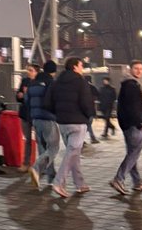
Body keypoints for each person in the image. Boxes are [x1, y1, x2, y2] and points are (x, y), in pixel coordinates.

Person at [45, 57, 95, 199]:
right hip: (78, 122)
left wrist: (58, 113)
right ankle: (59, 183)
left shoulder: (56, 82)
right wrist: (90, 115)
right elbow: (86, 102)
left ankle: (80, 183)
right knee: (72, 152)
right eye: (81, 66)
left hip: (62, 123)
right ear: (74, 67)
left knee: (74, 153)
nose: (82, 68)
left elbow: (47, 103)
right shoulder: (81, 82)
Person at [110, 61, 142, 195]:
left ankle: (137, 181)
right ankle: (119, 178)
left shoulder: (128, 84)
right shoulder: (132, 85)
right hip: (133, 125)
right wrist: (139, 123)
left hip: (127, 124)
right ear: (130, 70)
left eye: (141, 69)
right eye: (136, 68)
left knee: (132, 152)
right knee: (134, 153)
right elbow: (134, 107)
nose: (139, 71)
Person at [27, 59, 60, 191]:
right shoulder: (51, 83)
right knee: (53, 147)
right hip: (48, 118)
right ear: (53, 72)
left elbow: (27, 100)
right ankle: (36, 168)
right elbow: (55, 100)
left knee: (44, 149)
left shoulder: (33, 83)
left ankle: (51, 178)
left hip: (35, 119)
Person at [16, 63, 38, 167]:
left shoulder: (39, 83)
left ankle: (40, 164)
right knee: (27, 140)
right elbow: (18, 96)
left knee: (39, 140)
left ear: (36, 72)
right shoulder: (24, 81)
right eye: (28, 70)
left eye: (31, 70)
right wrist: (19, 95)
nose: (28, 72)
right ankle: (26, 163)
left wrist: (26, 94)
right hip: (25, 114)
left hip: (36, 114)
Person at [86, 77, 101, 144]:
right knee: (88, 124)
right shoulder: (92, 87)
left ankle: (82, 139)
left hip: (84, 110)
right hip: (90, 108)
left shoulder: (81, 86)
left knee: (87, 125)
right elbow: (98, 94)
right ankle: (92, 138)